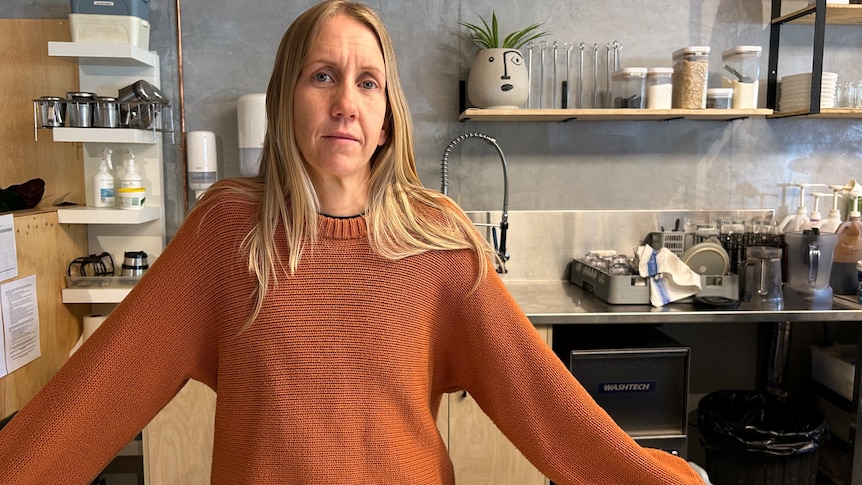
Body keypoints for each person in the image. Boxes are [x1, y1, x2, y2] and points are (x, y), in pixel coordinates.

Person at [0, 1, 709, 483]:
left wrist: (656, 477)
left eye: (367, 82)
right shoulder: (227, 235)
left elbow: (542, 396)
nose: (345, 102)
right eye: (322, 76)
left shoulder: (440, 243)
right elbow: (100, 388)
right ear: (287, 100)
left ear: (387, 115)